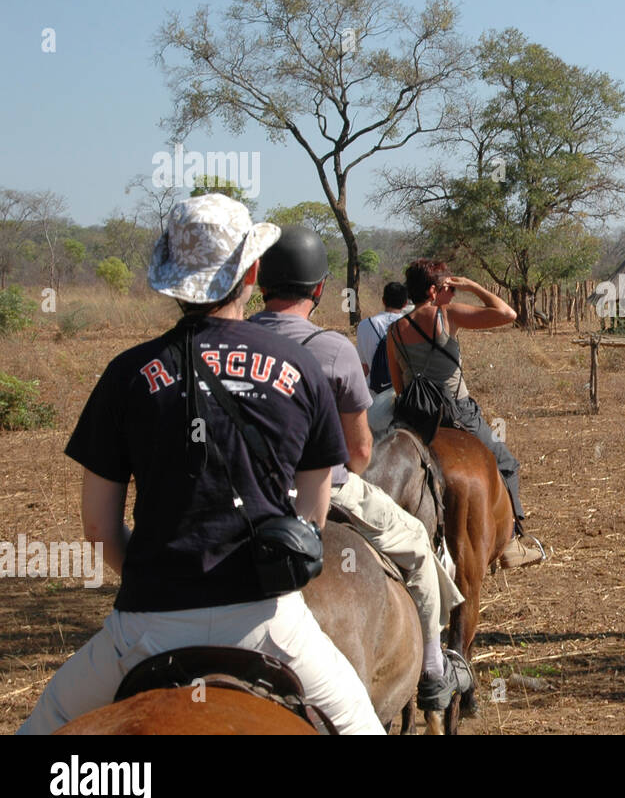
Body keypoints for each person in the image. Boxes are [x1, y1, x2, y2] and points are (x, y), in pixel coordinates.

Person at [19, 194, 384, 735]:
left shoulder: (126, 374)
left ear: (171, 277)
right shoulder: (302, 365)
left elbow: (98, 528)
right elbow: (311, 519)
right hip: (269, 622)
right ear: (252, 270)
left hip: (145, 624)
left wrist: (163, 587)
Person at [249, 227, 472, 711]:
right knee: (414, 541)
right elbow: (359, 454)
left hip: (242, 496)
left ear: (258, 282)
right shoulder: (331, 348)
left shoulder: (228, 340)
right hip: (323, 490)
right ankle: (434, 668)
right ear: (321, 289)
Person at [387, 258, 544, 568]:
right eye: (450, 288)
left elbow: (397, 384)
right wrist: (472, 285)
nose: (454, 293)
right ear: (433, 291)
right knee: (507, 463)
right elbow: (507, 314)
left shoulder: (394, 330)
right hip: (457, 413)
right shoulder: (447, 316)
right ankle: (512, 541)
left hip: (413, 417)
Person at [357, 281, 408, 393]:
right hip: (405, 393)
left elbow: (364, 368)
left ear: (383, 301)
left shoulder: (364, 325)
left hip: (374, 394)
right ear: (405, 303)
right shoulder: (410, 325)